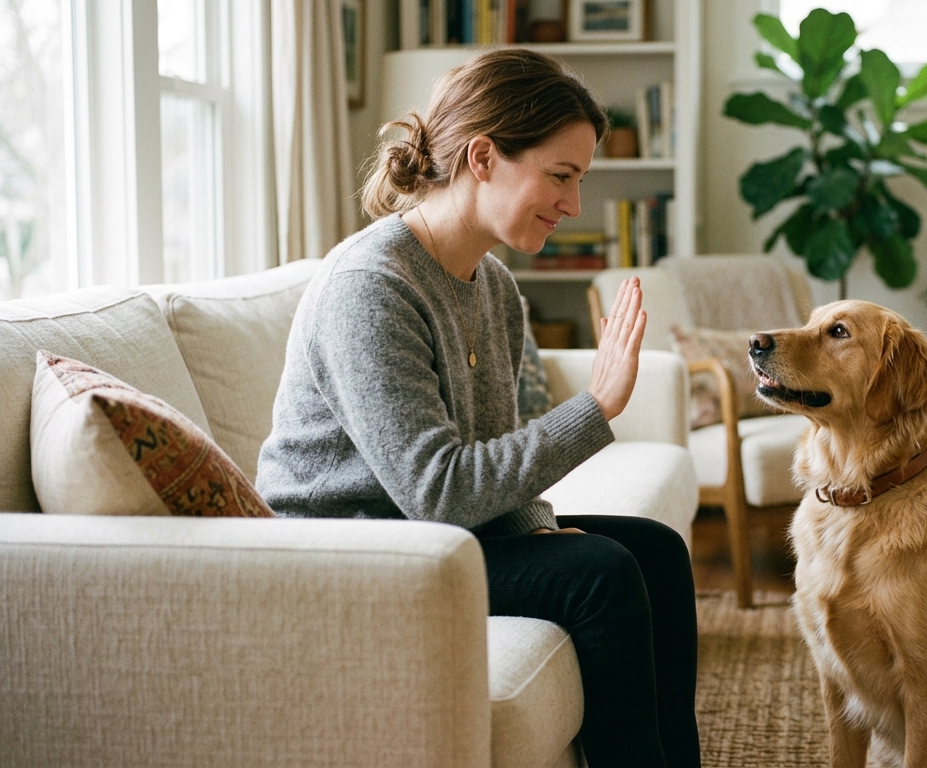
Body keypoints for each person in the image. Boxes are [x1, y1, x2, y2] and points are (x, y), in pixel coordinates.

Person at [255, 49, 700, 768]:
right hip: (349, 551)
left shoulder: (490, 286)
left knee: (654, 549)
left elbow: (485, 455)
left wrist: (533, 524)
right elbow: (441, 491)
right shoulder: (371, 288)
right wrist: (596, 407)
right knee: (601, 573)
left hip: (424, 534)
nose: (573, 204)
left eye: (579, 180)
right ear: (485, 156)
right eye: (561, 176)